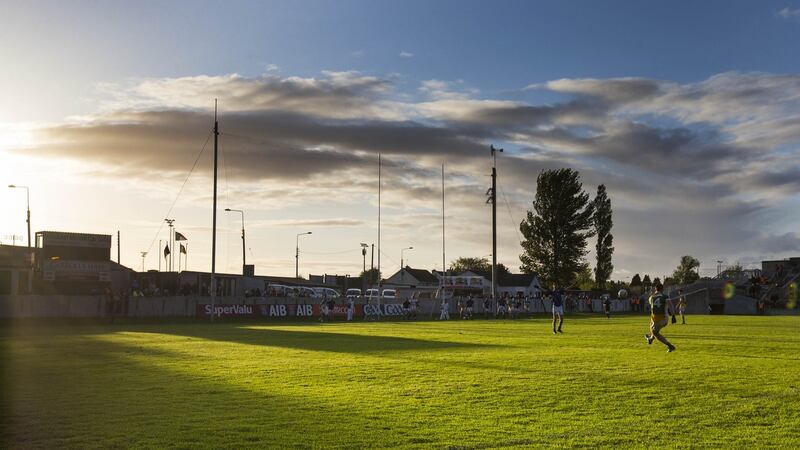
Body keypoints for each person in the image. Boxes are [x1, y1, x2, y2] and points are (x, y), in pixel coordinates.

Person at [645, 284, 676, 352]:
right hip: (665, 318)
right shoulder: (665, 296)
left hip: (657, 319)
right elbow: (670, 305)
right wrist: (673, 315)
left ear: (656, 289)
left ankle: (670, 346)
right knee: (652, 328)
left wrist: (651, 293)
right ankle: (650, 339)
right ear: (662, 289)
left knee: (655, 332)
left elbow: (651, 303)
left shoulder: (651, 297)